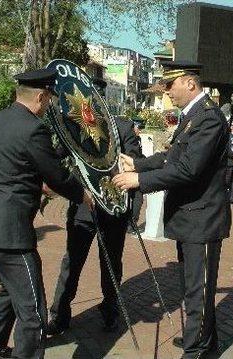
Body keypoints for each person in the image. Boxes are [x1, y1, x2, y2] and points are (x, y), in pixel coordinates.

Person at [0, 68, 92, 359]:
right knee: (33, 310)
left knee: (10, 292)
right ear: (40, 96)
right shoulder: (32, 128)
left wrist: (36, 186)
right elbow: (57, 175)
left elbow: (17, 166)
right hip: (10, 234)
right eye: (49, 98)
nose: (49, 104)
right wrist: (84, 195)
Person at [112, 60, 230, 359]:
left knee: (197, 289)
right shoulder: (192, 117)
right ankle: (203, 338)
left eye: (170, 85)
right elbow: (171, 157)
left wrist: (139, 180)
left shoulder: (208, 118)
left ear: (190, 83)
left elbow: (188, 169)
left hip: (201, 219)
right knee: (193, 286)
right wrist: (137, 163)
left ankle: (197, 350)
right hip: (190, 217)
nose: (167, 93)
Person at [46, 78, 143, 335]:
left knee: (111, 264)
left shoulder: (122, 126)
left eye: (94, 99)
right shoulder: (73, 127)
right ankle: (59, 315)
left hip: (113, 209)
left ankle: (110, 310)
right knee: (72, 264)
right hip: (83, 209)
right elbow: (55, 160)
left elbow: (137, 163)